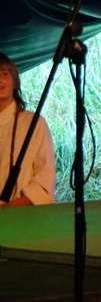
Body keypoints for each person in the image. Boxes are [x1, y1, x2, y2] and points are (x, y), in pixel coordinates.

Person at [0, 53, 56, 207]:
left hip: (22, 213)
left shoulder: (34, 123)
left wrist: (12, 208)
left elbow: (45, 175)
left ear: (15, 82)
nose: (0, 80)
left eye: (5, 74)